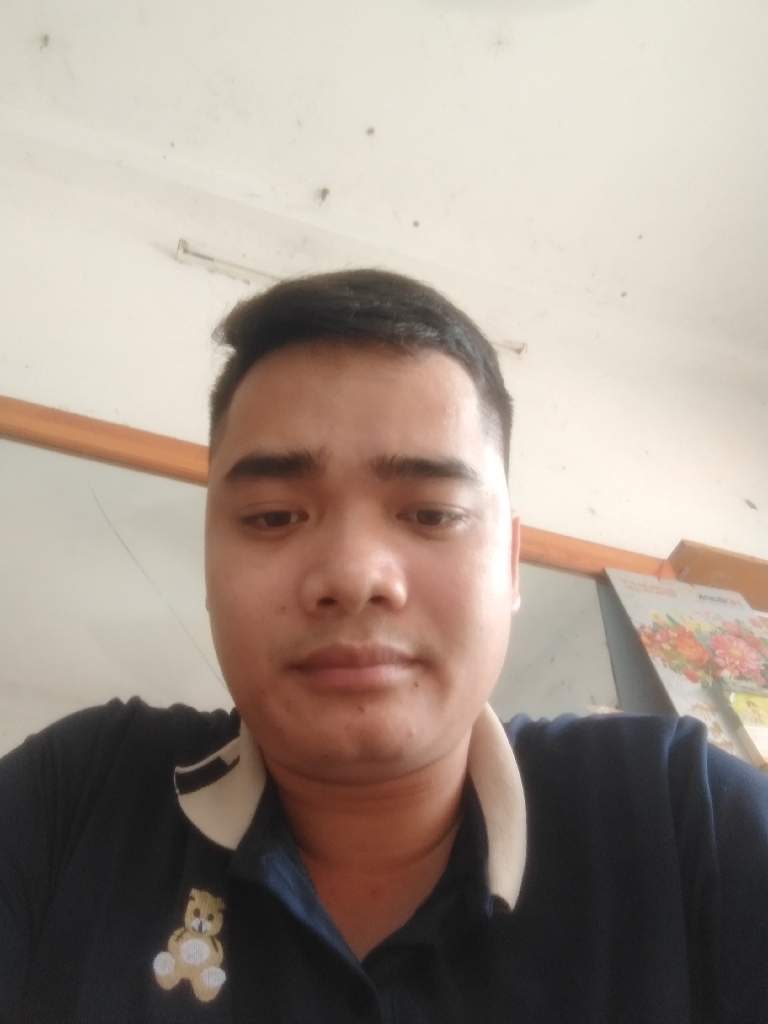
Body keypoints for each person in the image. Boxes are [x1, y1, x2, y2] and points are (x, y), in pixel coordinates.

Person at [1, 269, 767, 1023]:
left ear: (509, 566)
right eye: (272, 516)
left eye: (431, 514)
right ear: (208, 562)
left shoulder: (685, 816)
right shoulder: (75, 799)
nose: (352, 576)